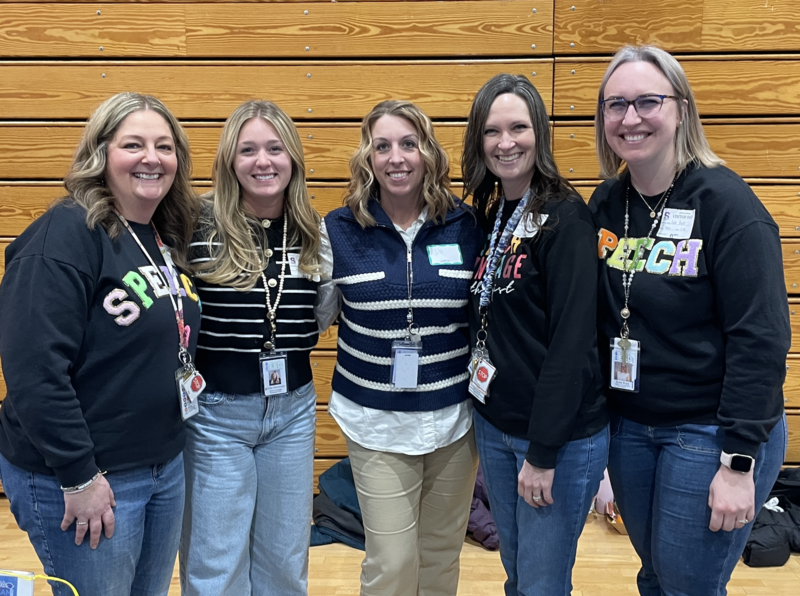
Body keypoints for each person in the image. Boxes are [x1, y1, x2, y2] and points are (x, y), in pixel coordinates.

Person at [589, 45, 788, 595]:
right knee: (656, 577)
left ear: (681, 108)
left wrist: (739, 463)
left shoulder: (728, 205)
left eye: (647, 101)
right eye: (615, 105)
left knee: (687, 586)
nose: (630, 118)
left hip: (710, 431)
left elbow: (761, 339)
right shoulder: (608, 204)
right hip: (631, 428)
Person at [0, 92, 201, 596]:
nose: (152, 157)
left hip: (160, 465)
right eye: (133, 144)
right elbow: (34, 373)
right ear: (101, 154)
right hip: (86, 475)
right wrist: (79, 477)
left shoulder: (157, 233)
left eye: (164, 145)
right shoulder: (63, 237)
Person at [317, 100, 481, 596]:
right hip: (375, 421)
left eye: (409, 144)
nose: (396, 157)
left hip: (454, 421)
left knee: (439, 559)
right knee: (392, 561)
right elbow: (317, 314)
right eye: (382, 146)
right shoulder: (338, 230)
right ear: (367, 158)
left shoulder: (466, 226)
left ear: (427, 152)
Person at [461, 74, 608, 596]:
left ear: (539, 132)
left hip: (555, 440)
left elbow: (573, 343)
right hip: (496, 427)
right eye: (492, 131)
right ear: (478, 141)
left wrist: (543, 453)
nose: (506, 143)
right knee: (519, 575)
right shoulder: (493, 212)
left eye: (518, 127)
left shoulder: (566, 218)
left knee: (542, 584)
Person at [180, 100, 323, 596]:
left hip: (293, 412)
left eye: (274, 148)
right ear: (229, 161)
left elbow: (322, 313)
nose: (263, 161)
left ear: (293, 158)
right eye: (248, 150)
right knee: (217, 563)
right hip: (216, 413)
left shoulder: (314, 231)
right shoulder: (195, 225)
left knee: (285, 562)